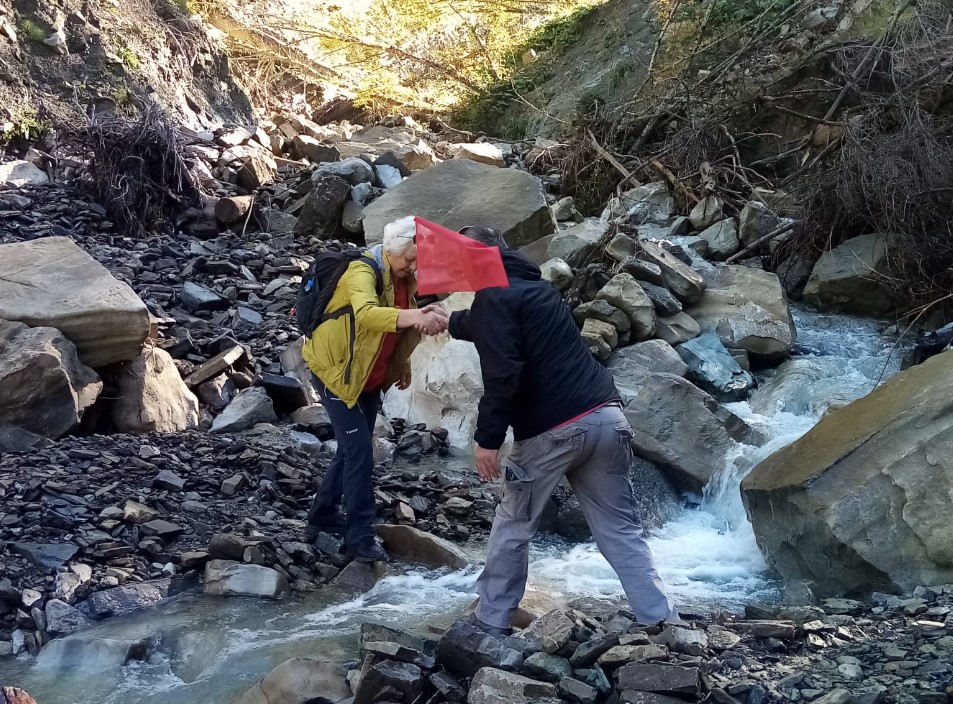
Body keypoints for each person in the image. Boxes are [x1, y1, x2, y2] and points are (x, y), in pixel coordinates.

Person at [443, 225, 680, 635]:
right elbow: (504, 325)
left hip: (552, 432)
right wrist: (451, 321)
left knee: (514, 524)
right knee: (620, 529)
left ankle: (490, 623)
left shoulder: (492, 297)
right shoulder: (536, 290)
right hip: (607, 418)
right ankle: (661, 620)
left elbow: (504, 374)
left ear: (473, 261)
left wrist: (487, 441)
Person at [301, 216, 448, 563]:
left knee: (354, 448)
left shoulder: (403, 277)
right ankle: (360, 538)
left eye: (417, 260)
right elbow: (367, 315)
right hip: (336, 371)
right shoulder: (362, 271)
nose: (413, 267)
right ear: (391, 250)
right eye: (408, 259)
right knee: (360, 453)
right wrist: (416, 318)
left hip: (368, 374)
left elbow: (395, 325)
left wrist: (402, 365)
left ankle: (321, 515)